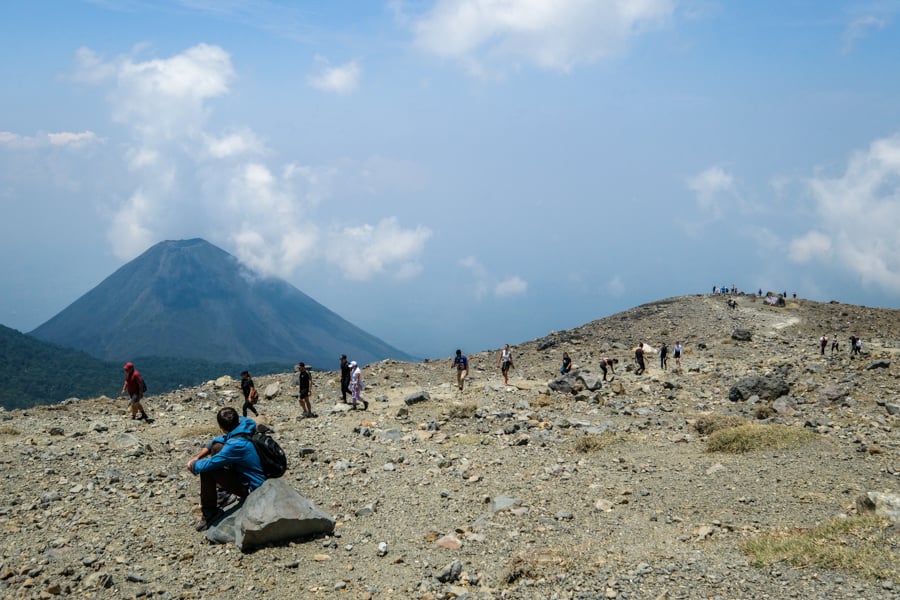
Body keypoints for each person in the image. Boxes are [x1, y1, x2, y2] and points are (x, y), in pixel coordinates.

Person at [186, 406, 266, 531]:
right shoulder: (246, 425)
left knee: (208, 470)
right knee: (217, 446)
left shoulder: (235, 445)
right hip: (263, 477)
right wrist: (200, 455)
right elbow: (217, 440)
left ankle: (210, 512)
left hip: (255, 490)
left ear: (221, 427)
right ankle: (224, 493)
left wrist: (193, 465)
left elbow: (209, 464)